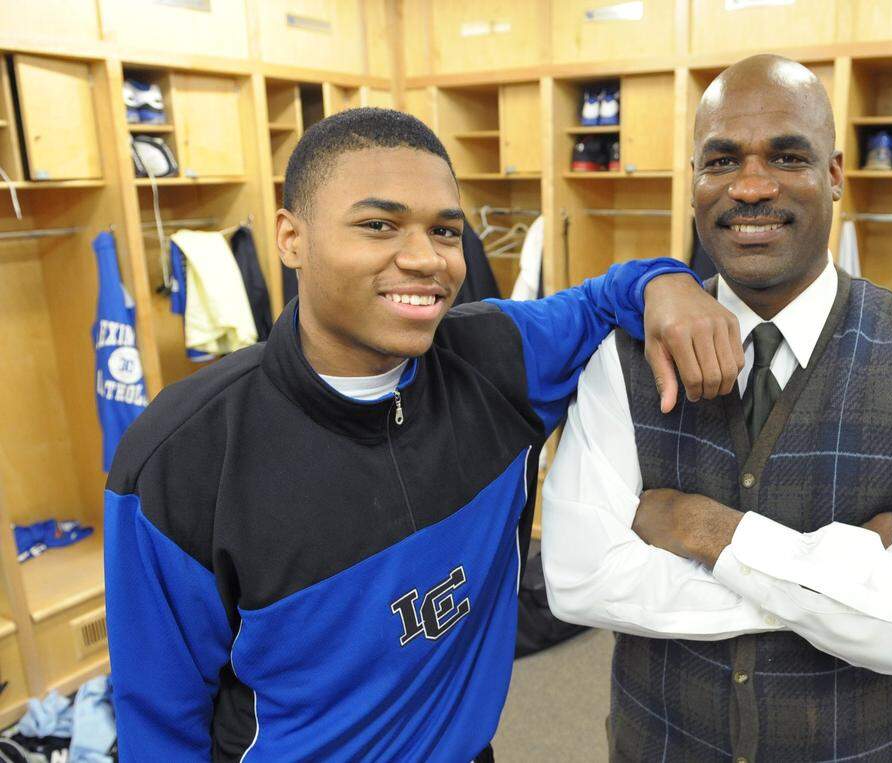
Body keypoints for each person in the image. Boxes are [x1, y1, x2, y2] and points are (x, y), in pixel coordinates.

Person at [103, 108, 744, 761]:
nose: (425, 258)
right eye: (378, 225)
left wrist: (669, 280)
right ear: (291, 238)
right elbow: (159, 721)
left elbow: (606, 295)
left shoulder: (498, 358)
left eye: (445, 230)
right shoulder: (179, 456)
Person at [542, 55, 892, 761]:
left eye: (787, 156)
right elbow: (580, 579)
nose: (751, 186)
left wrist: (704, 527)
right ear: (695, 182)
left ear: (833, 173)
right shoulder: (621, 357)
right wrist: (855, 574)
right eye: (721, 160)